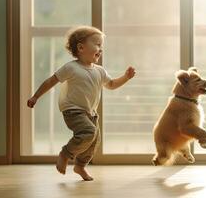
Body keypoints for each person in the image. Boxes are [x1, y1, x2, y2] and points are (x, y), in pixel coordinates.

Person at [27, 26, 135, 181]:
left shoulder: (100, 71)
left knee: (94, 141)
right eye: (97, 44)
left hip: (90, 113)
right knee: (89, 132)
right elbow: (51, 81)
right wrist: (35, 96)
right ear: (81, 47)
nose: (100, 48)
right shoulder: (71, 67)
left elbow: (111, 84)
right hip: (73, 110)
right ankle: (66, 153)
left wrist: (125, 77)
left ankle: (80, 166)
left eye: (101, 46)